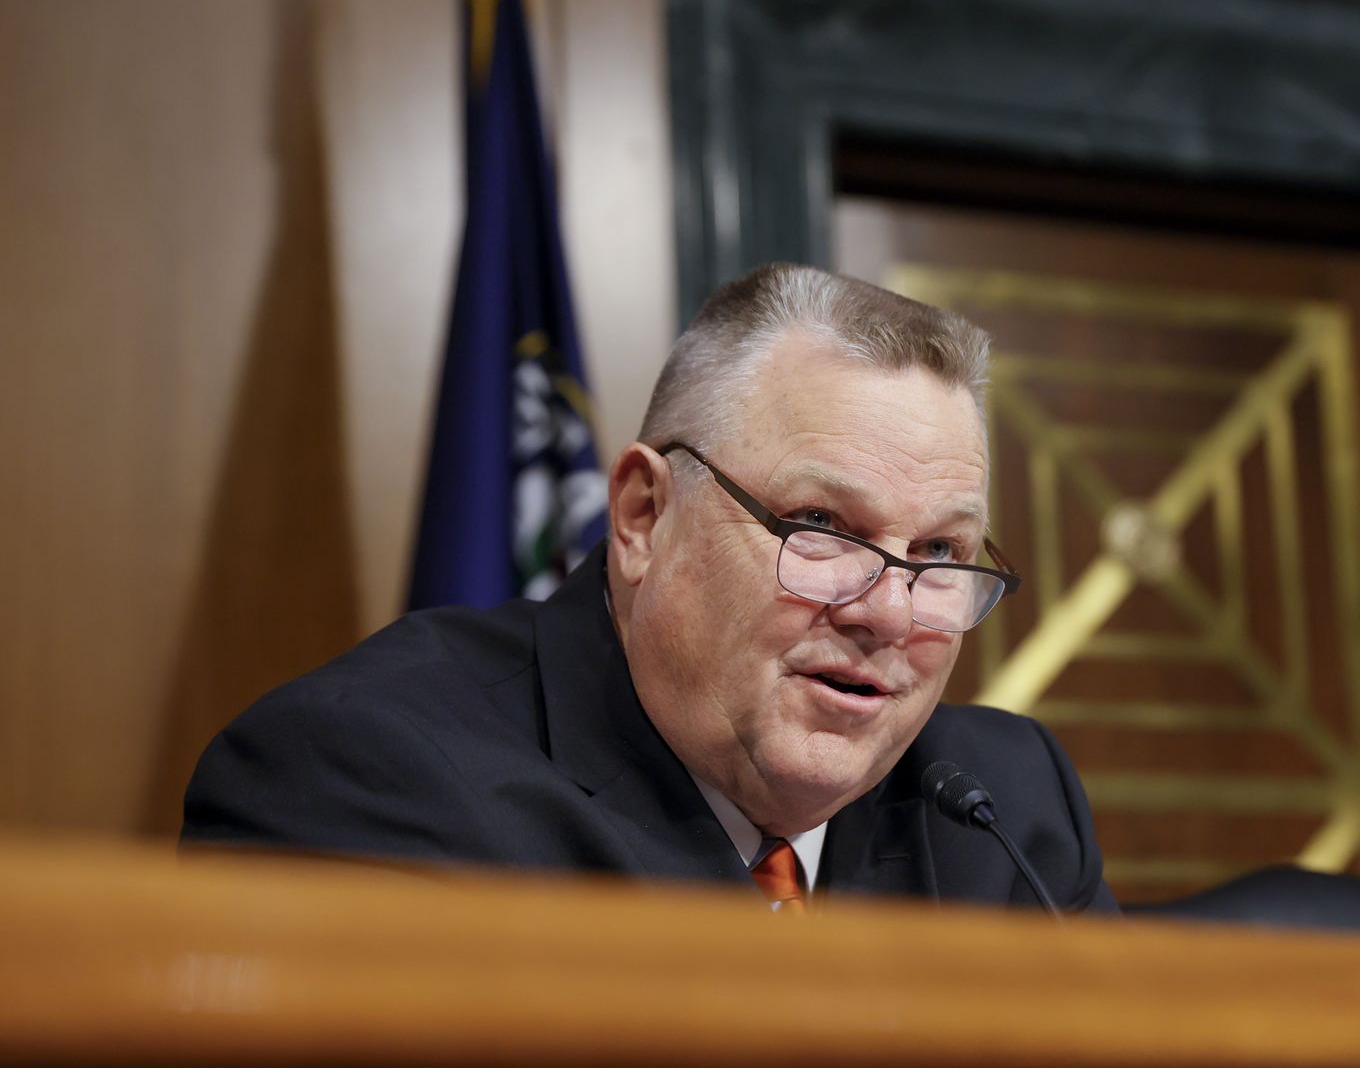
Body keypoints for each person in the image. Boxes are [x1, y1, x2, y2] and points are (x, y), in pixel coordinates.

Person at [183, 263, 1117, 915]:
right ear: (641, 515)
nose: (889, 609)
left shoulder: (1006, 807)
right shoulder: (370, 777)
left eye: (941, 552)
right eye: (822, 528)